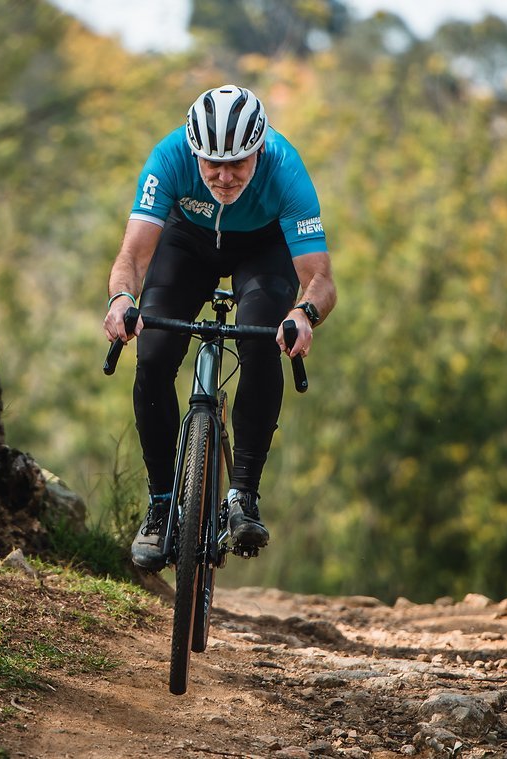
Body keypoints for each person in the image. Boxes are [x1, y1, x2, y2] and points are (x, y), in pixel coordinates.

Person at [102, 84, 337, 571]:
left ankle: (243, 495)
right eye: (213, 164)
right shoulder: (168, 157)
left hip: (261, 249)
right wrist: (123, 298)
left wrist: (303, 314)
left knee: (261, 344)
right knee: (154, 356)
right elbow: (132, 256)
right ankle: (162, 503)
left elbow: (319, 280)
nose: (226, 177)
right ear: (194, 150)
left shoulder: (286, 168)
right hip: (186, 242)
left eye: (239, 164)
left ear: (259, 150)